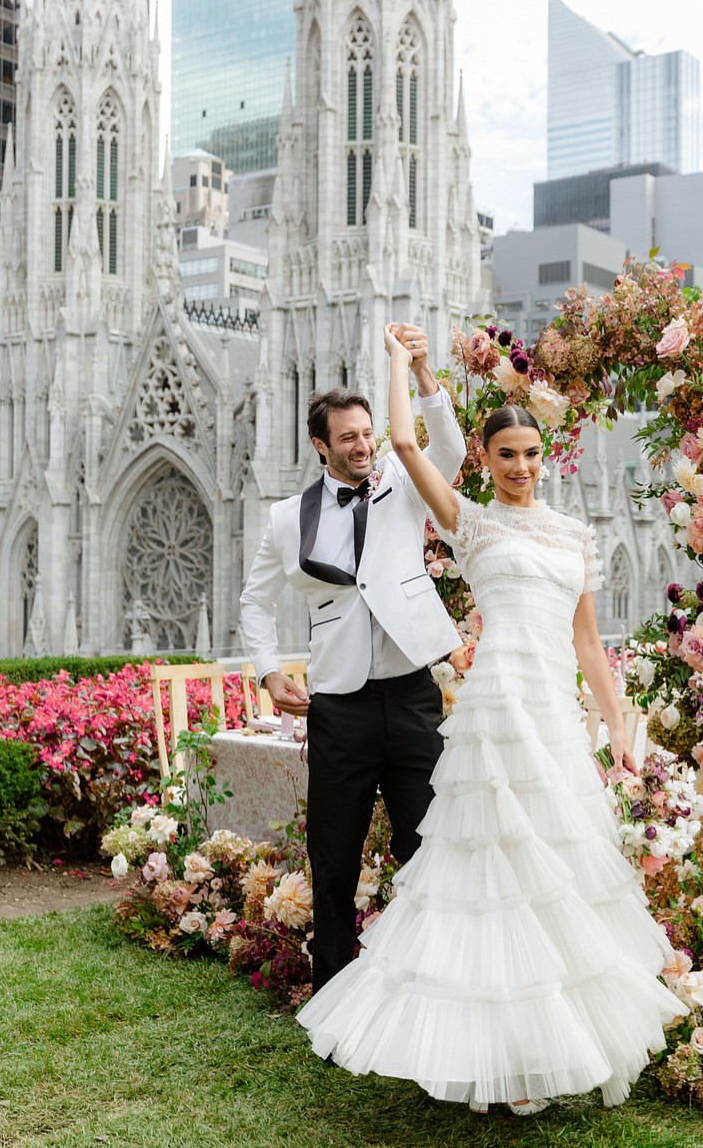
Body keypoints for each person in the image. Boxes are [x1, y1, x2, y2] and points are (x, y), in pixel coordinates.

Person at [295, 324, 686, 1114]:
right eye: (506, 455)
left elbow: (588, 641)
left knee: (555, 872)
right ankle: (489, 1054)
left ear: (546, 458)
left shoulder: (577, 536)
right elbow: (405, 443)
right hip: (494, 708)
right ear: (487, 457)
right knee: (486, 876)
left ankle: (543, 1045)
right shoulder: (471, 522)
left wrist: (615, 726)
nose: (520, 468)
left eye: (532, 455)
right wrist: (406, 365)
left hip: (550, 710)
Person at [239, 324, 466, 993]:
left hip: (413, 696)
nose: (363, 445)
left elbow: (448, 448)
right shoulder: (288, 518)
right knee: (332, 858)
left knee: (429, 847)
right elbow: (254, 602)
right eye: (348, 438)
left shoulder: (404, 480)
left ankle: (433, 980)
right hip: (338, 707)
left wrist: (424, 374)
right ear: (321, 446)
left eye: (368, 433)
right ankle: (334, 991)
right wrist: (268, 671)